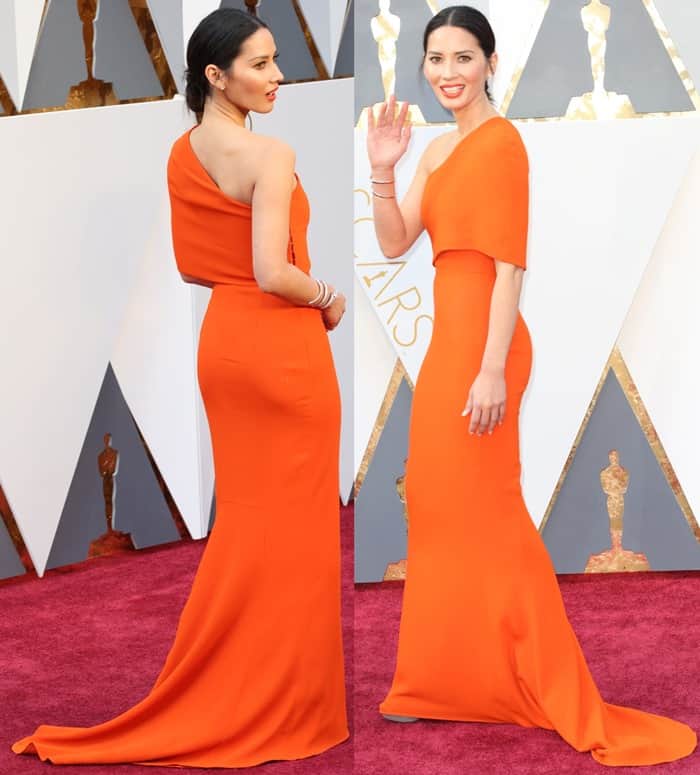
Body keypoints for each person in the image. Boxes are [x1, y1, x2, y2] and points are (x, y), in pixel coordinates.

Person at [12, 8, 349, 767]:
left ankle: (238, 684)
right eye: (260, 65)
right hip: (283, 347)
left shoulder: (183, 152)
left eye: (275, 61)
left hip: (225, 343)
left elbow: (197, 267)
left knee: (250, 527)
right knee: (294, 534)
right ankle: (289, 703)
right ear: (215, 75)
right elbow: (274, 271)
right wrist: (327, 294)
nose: (277, 77)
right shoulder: (269, 153)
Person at [366, 4, 696, 767]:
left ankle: (543, 676)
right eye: (436, 58)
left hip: (485, 346)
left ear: (489, 63)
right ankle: (435, 681)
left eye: (463, 58)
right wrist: (383, 167)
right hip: (449, 344)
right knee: (442, 514)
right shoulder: (435, 154)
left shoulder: (503, 143)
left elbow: (509, 265)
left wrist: (489, 368)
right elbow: (392, 241)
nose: (447, 72)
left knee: (492, 511)